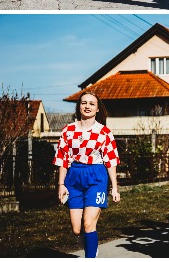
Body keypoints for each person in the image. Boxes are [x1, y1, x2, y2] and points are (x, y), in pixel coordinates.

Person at [54, 92, 120, 258]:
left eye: (92, 103)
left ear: (97, 109)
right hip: (74, 177)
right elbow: (62, 159)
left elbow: (111, 160)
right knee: (77, 230)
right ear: (79, 106)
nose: (87, 106)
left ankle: (90, 256)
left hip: (96, 176)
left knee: (89, 224)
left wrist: (114, 187)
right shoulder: (68, 130)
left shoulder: (104, 132)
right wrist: (61, 184)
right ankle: (91, 247)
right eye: (84, 103)